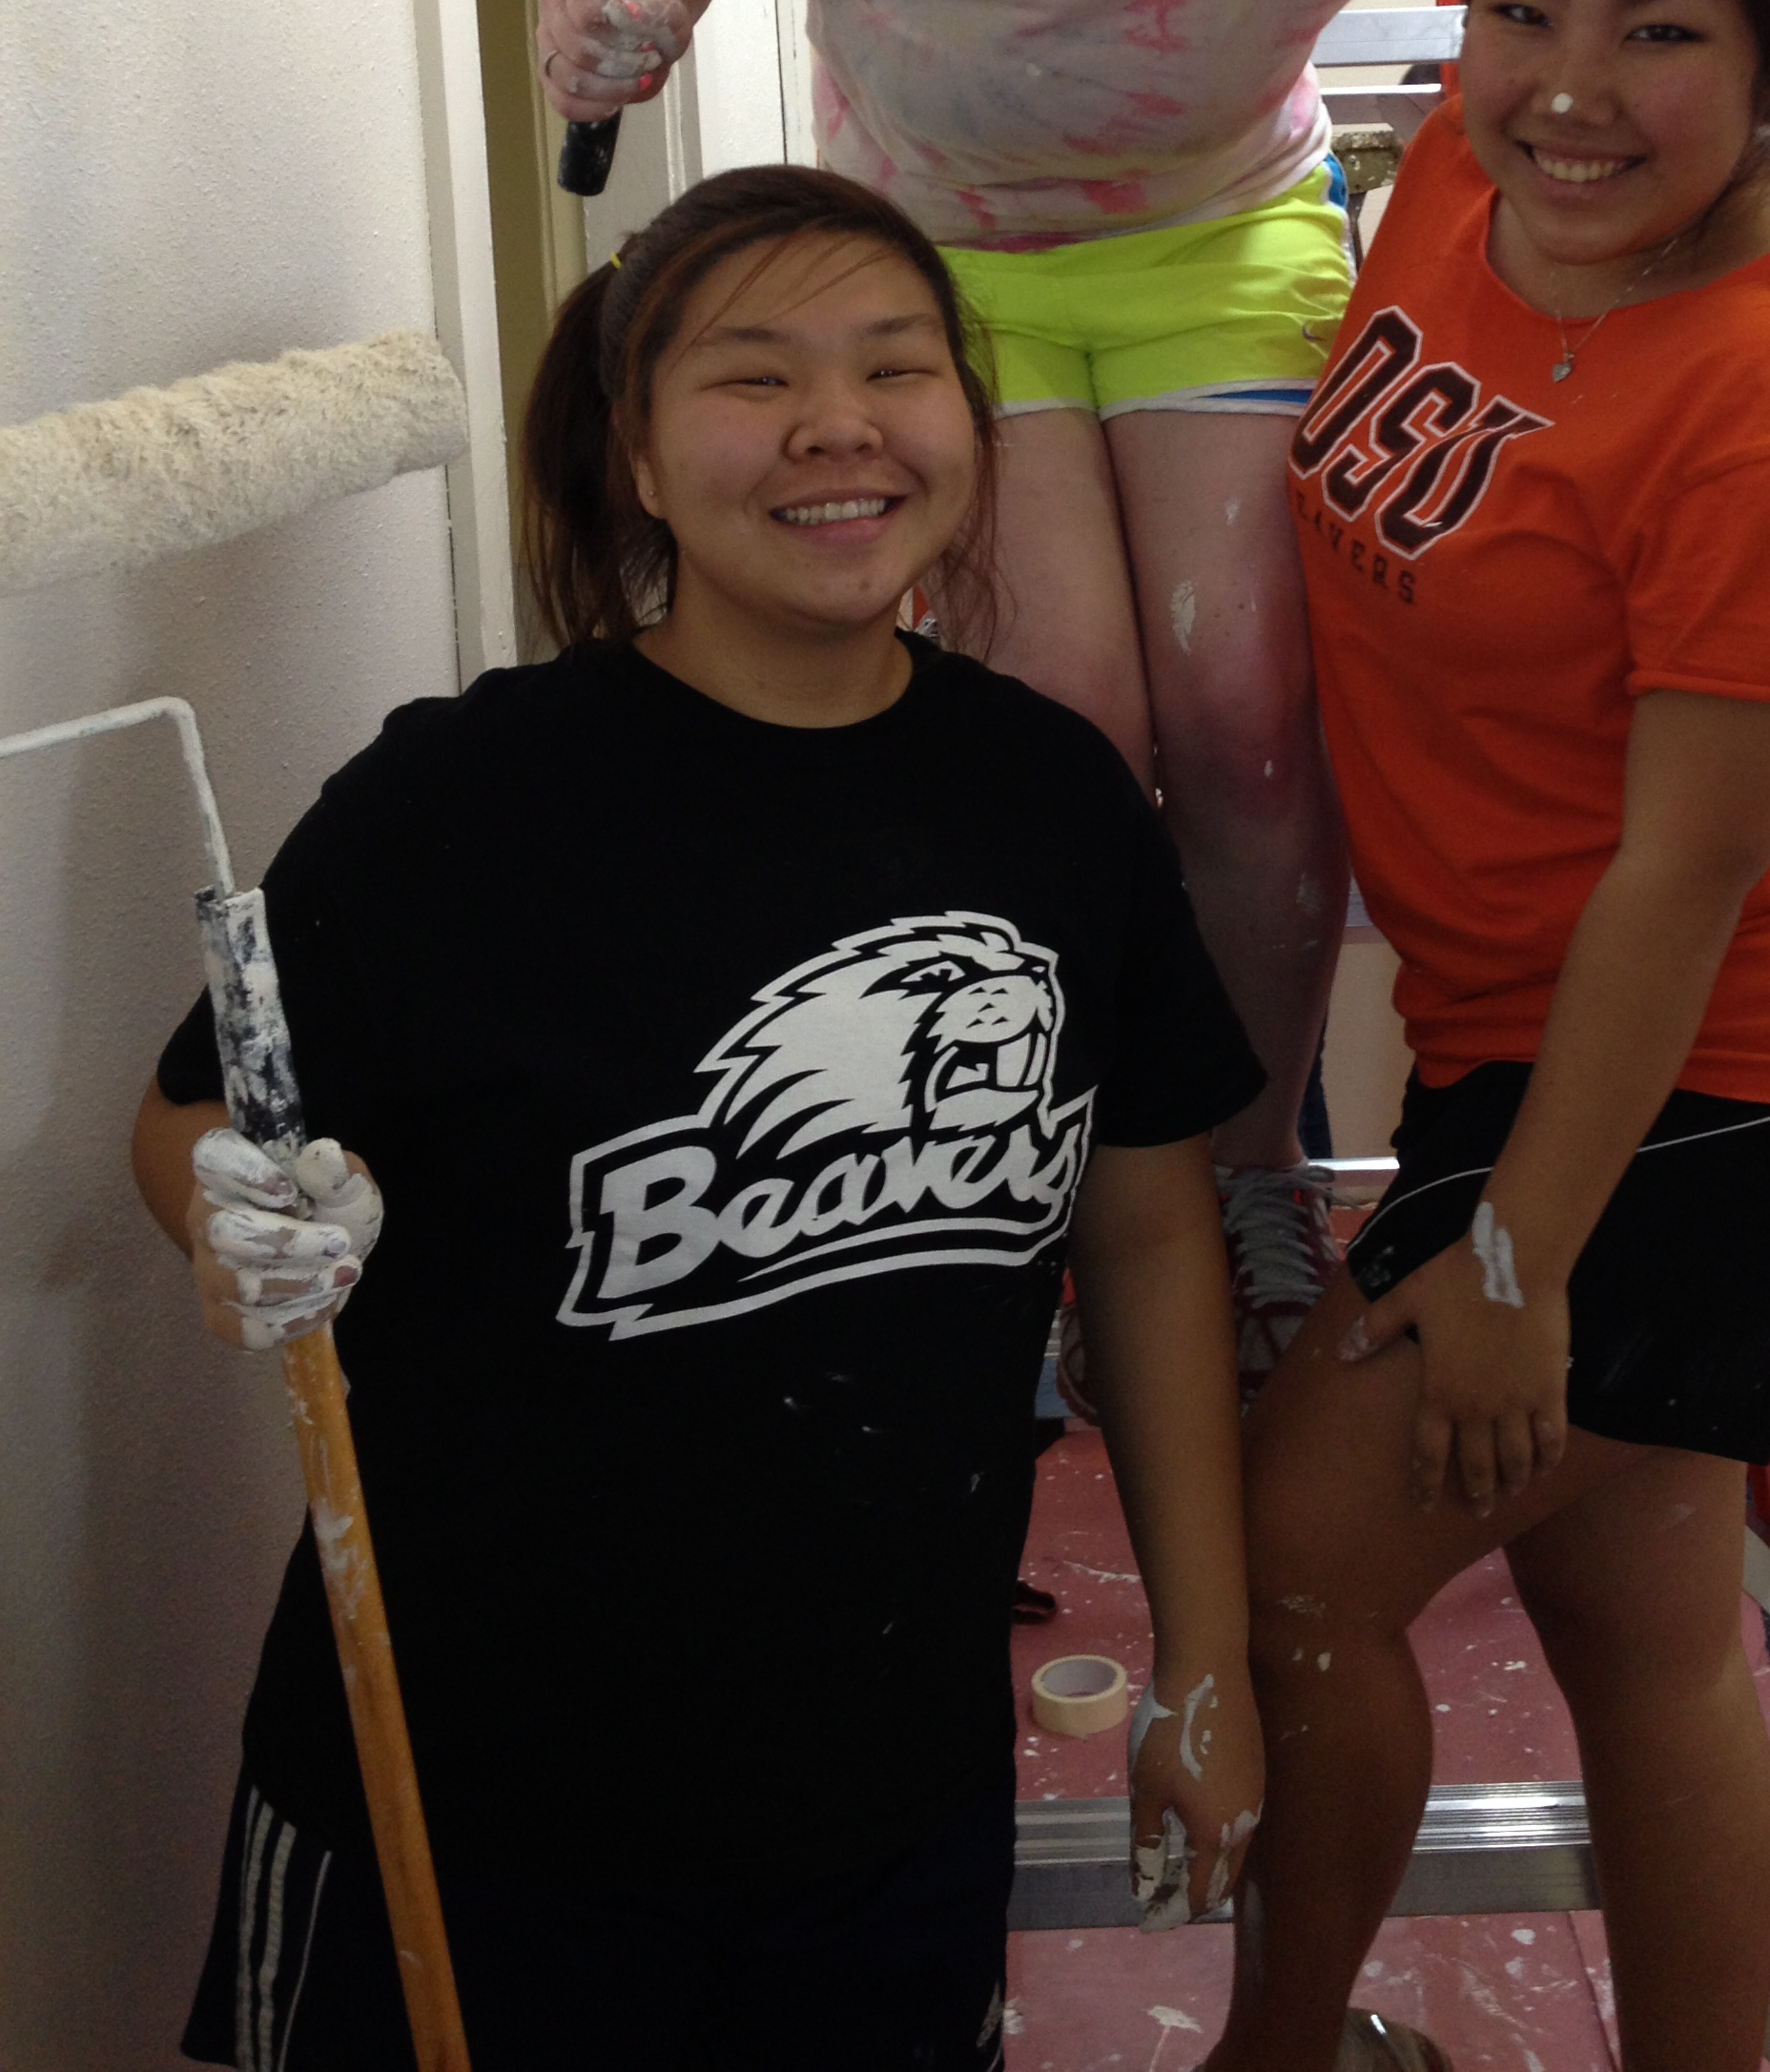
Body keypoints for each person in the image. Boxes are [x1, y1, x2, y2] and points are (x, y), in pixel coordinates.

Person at [132, 165, 1266, 2072]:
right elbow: (189, 1119)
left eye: (895, 367)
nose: (838, 425)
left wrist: (1205, 1656)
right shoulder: (461, 807)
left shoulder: (1054, 804)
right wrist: (233, 1209)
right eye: (755, 376)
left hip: (887, 1805)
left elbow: (1149, 1239)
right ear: (641, 456)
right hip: (466, 1815)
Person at [536, 0, 1522, 1382]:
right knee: (1069, 720)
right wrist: (614, 17)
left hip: (1216, 236)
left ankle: (1245, 1174)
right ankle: (1075, 1189)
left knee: (1250, 704)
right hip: (934, 264)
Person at [1208, 0, 1770, 2072]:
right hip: (1518, 1034)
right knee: (1639, 1622)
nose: (1569, 89)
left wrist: (1519, 1264)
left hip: (1725, 1081)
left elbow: (1686, 878)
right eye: (1525, 11)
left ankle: (1279, 2059)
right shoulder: (1471, 180)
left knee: (1299, 1564)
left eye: (1661, 33)